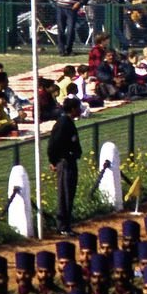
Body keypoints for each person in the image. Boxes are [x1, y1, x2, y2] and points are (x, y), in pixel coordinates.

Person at [45, 93, 81, 235]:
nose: (79, 110)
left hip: (69, 162)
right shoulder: (63, 123)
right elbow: (53, 144)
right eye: (77, 108)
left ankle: (66, 225)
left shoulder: (67, 122)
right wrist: (54, 161)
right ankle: (63, 227)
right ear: (72, 109)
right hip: (64, 163)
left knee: (69, 194)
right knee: (64, 195)